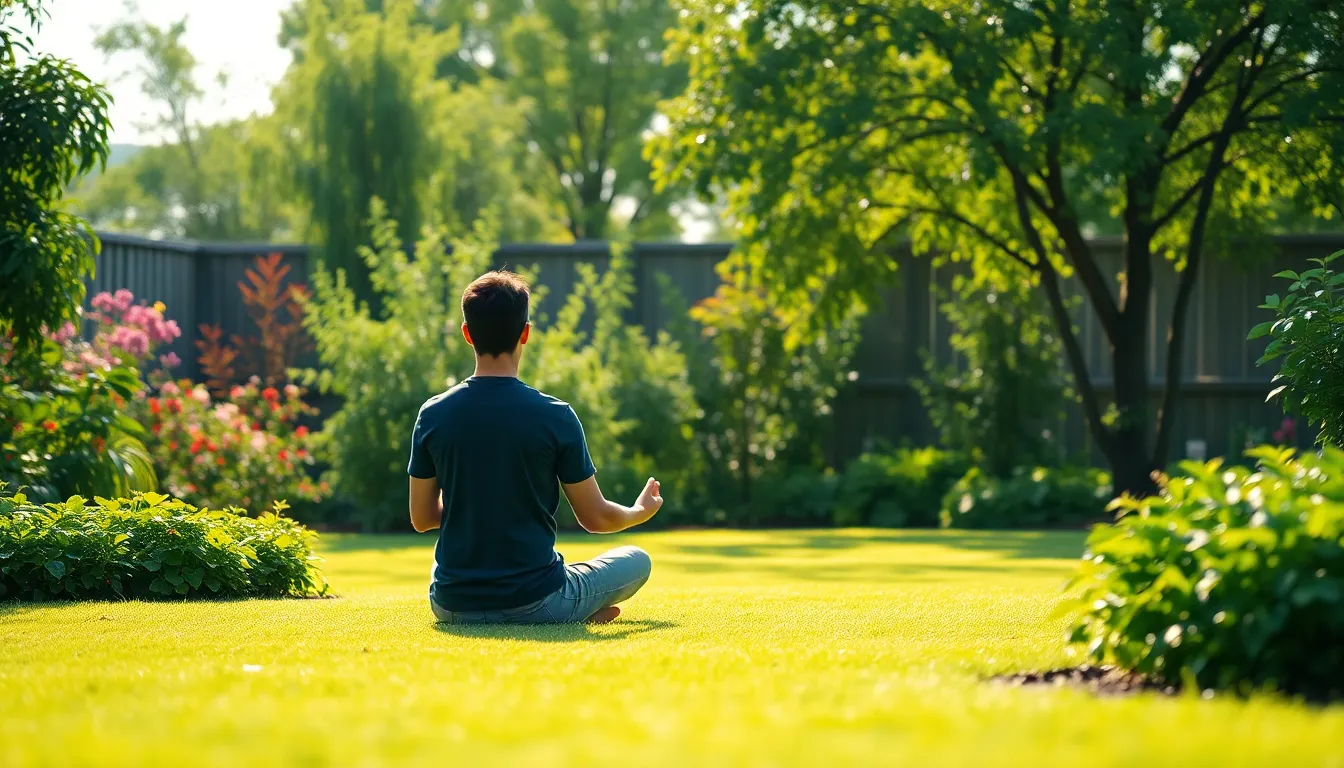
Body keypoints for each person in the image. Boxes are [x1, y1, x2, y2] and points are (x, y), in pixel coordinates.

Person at [408, 270, 662, 624]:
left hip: (451, 606)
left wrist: (473, 508)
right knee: (637, 560)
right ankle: (571, 610)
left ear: (467, 334)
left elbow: (421, 519)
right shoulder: (555, 416)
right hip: (536, 600)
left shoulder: (433, 414)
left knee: (450, 562)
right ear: (525, 332)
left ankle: (569, 609)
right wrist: (639, 511)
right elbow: (595, 517)